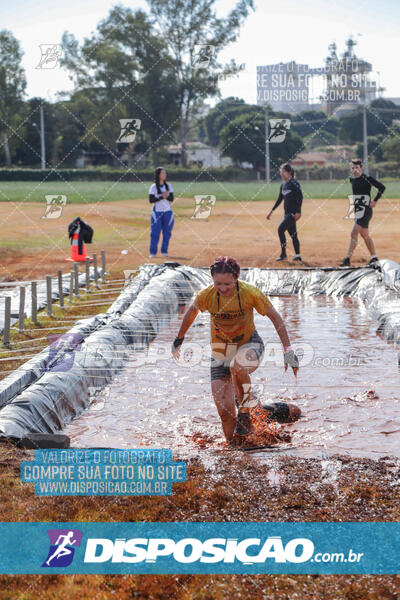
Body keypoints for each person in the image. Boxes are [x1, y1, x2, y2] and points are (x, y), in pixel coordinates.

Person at [171, 256, 299, 443]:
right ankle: (242, 439)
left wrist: (288, 351)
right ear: (212, 280)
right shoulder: (206, 296)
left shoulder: (250, 293)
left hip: (250, 345)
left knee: (237, 367)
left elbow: (276, 318)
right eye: (218, 284)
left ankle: (246, 413)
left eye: (228, 284)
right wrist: (179, 339)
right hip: (219, 353)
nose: (223, 289)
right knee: (225, 414)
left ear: (237, 278)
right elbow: (191, 312)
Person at [340, 159, 386, 267]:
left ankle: (347, 258)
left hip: (366, 211)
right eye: (353, 168)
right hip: (358, 210)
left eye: (357, 167)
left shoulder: (367, 179)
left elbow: (382, 187)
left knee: (354, 233)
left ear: (361, 168)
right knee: (365, 234)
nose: (355, 170)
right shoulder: (352, 180)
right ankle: (374, 257)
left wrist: (375, 200)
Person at [266, 163, 303, 262]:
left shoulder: (294, 183)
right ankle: (298, 255)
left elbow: (300, 197)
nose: (281, 174)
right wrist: (271, 211)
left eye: (283, 172)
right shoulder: (283, 185)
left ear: (289, 172)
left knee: (280, 230)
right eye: (281, 172)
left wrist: (298, 211)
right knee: (293, 235)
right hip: (287, 213)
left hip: (292, 214)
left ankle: (283, 254)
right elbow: (279, 199)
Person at [148, 167, 174, 258]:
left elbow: (171, 198)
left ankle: (164, 251)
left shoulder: (168, 186)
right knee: (155, 232)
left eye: (165, 173)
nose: (164, 175)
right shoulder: (154, 187)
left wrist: (165, 196)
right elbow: (151, 200)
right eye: (162, 173)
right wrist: (162, 196)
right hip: (157, 211)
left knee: (167, 232)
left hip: (168, 211)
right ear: (158, 175)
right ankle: (153, 252)